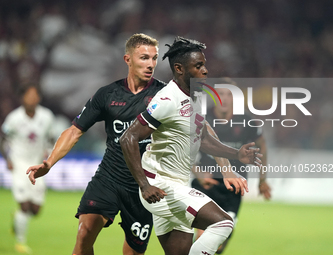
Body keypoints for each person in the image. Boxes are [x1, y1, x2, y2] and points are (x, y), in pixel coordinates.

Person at [120, 36, 262, 255]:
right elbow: (128, 138)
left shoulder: (195, 95)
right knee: (223, 223)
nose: (205, 70)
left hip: (176, 185)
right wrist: (144, 185)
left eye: (204, 64)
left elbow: (203, 137)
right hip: (160, 186)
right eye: (198, 66)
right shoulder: (168, 100)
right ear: (179, 68)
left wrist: (235, 156)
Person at [26, 33, 167, 255]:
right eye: (144, 58)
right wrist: (49, 162)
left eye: (154, 58)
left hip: (144, 186)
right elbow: (74, 131)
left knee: (133, 253)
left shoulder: (165, 95)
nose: (150, 64)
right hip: (109, 178)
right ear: (127, 59)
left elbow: (195, 129)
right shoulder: (107, 94)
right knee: (84, 233)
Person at [192, 80, 271, 254]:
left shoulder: (247, 121)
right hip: (206, 184)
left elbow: (262, 147)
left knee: (220, 241)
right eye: (221, 94)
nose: (225, 98)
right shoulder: (202, 119)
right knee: (203, 236)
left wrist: (262, 179)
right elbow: (182, 146)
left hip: (234, 188)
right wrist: (197, 173)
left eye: (229, 94)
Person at [0, 84, 55, 254]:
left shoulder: (46, 116)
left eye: (34, 95)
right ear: (22, 98)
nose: (31, 98)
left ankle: (17, 219)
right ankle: (20, 242)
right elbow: (3, 137)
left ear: (38, 98)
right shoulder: (14, 118)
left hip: (37, 164)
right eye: (28, 95)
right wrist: (8, 158)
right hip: (19, 164)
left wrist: (49, 152)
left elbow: (51, 136)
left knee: (35, 210)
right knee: (24, 205)